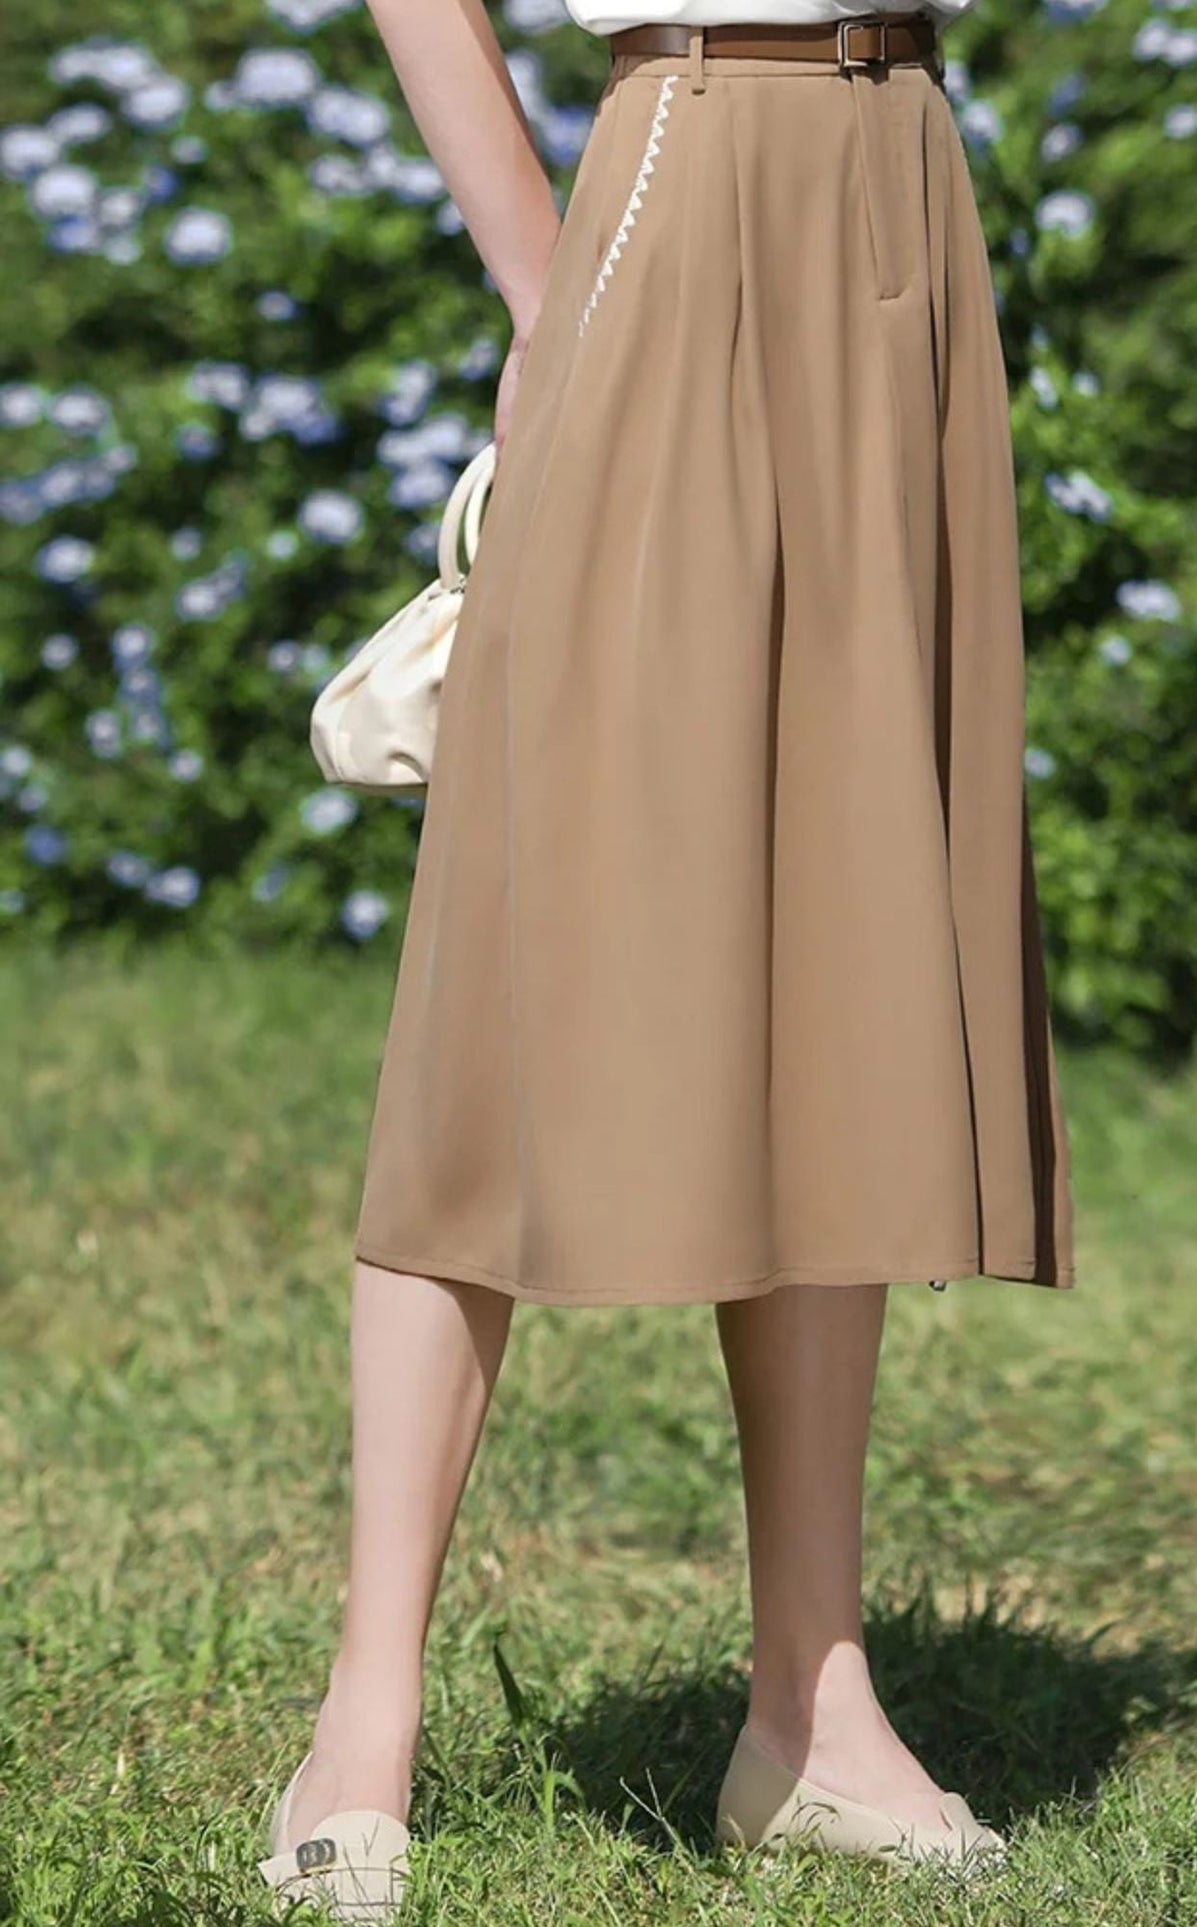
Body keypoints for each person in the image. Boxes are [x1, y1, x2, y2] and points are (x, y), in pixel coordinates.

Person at [258, 0, 1076, 1912]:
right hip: (681, 150)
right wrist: (544, 290)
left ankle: (813, 1715)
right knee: (512, 972)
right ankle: (360, 1727)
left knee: (842, 952)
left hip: (900, 170)